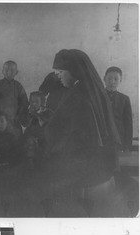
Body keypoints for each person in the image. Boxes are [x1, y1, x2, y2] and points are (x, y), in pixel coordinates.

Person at [30, 49, 122, 217]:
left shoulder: (78, 95)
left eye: (60, 72)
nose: (58, 76)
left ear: (73, 71)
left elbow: (66, 132)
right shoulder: (88, 89)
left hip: (82, 165)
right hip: (97, 162)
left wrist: (46, 124)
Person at [0, 60, 29, 138]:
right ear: (2, 71)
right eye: (6, 70)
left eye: (12, 70)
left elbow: (24, 104)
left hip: (13, 121)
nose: (9, 72)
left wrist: (18, 116)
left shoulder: (18, 86)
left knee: (14, 142)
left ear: (16, 72)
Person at [104, 66, 133, 152]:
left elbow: (128, 124)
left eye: (116, 79)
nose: (112, 82)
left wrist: (127, 146)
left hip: (119, 141)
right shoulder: (98, 97)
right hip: (103, 140)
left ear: (120, 80)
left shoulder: (124, 99)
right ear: (104, 79)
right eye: (109, 78)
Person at [23, 91, 53, 170]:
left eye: (36, 102)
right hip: (32, 140)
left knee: (43, 158)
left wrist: (36, 114)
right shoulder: (30, 114)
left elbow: (45, 123)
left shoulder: (47, 112)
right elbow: (27, 126)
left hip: (44, 140)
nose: (34, 104)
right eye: (32, 102)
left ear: (42, 102)